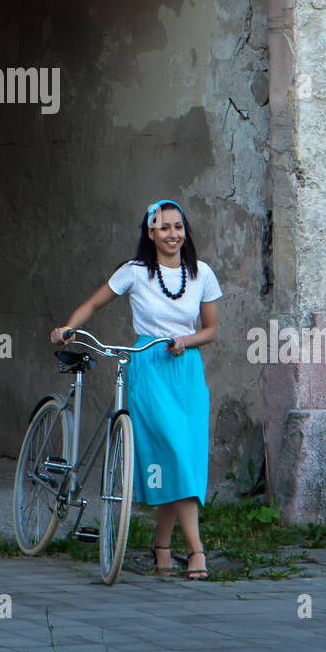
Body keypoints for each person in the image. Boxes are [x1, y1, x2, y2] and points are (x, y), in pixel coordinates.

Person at [50, 200, 222, 579]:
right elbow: (94, 303)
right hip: (149, 366)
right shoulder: (135, 272)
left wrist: (186, 341)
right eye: (164, 228)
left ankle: (161, 546)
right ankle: (197, 551)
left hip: (187, 371)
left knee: (179, 458)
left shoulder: (202, 274)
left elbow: (210, 330)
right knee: (175, 453)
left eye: (178, 227)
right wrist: (68, 328)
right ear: (150, 233)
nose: (173, 234)